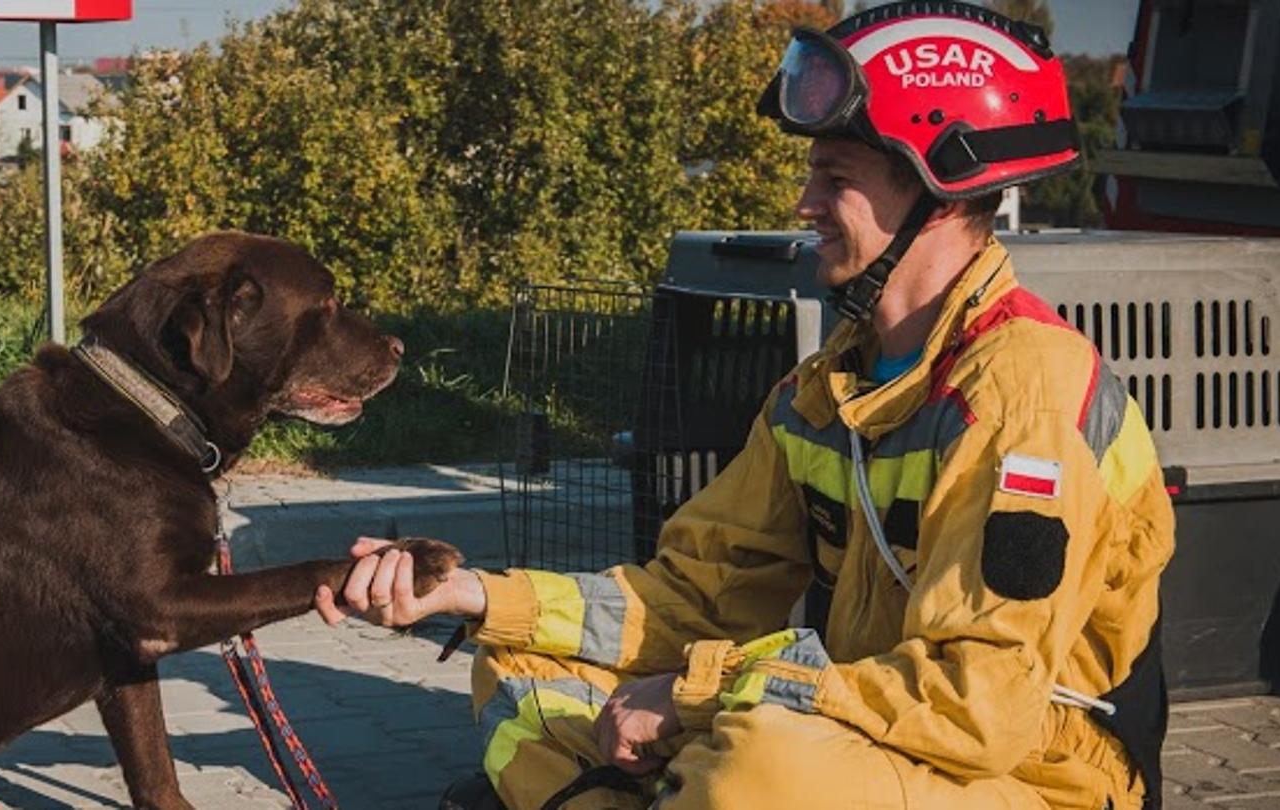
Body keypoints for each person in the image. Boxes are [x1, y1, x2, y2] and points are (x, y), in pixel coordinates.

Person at [315, 3, 1175, 809]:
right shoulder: (823, 392)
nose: (803, 205)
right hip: (867, 722)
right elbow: (692, 595)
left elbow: (976, 705)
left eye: (833, 177)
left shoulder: (1024, 395)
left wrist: (696, 696)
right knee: (522, 665)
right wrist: (466, 595)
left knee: (760, 755)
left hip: (1037, 767)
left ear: (940, 190)